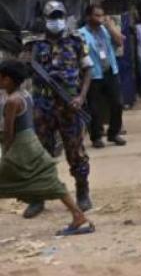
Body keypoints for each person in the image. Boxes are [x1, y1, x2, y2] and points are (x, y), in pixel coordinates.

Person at [0, 60, 95, 236]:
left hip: (21, 146)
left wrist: (6, 153)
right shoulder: (25, 95)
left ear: (8, 80)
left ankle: (78, 215)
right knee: (50, 181)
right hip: (32, 142)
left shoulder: (12, 101)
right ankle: (77, 215)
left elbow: (8, 132)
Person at [20, 1, 94, 219]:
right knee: (41, 153)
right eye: (53, 16)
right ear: (45, 19)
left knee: (75, 151)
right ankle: (37, 198)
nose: (56, 20)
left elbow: (88, 69)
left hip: (69, 104)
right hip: (43, 105)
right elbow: (21, 71)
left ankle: (82, 192)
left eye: (60, 15)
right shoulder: (33, 45)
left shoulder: (75, 41)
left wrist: (81, 96)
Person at [79, 4, 127, 148]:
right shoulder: (81, 34)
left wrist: (110, 27)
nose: (100, 19)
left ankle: (114, 133)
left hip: (110, 71)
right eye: (97, 16)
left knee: (117, 103)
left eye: (102, 15)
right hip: (93, 75)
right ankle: (97, 136)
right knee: (94, 107)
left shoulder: (106, 30)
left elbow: (119, 42)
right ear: (88, 17)